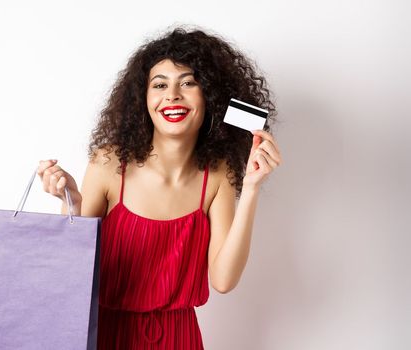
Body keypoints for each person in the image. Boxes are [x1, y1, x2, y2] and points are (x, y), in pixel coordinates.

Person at [36, 26, 282, 349]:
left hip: (180, 339)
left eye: (189, 82)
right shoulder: (109, 164)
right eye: (160, 84)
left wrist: (250, 189)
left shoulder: (218, 175)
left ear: (210, 95)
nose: (172, 95)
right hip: (106, 334)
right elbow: (73, 273)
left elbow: (223, 280)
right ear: (144, 98)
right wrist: (71, 204)